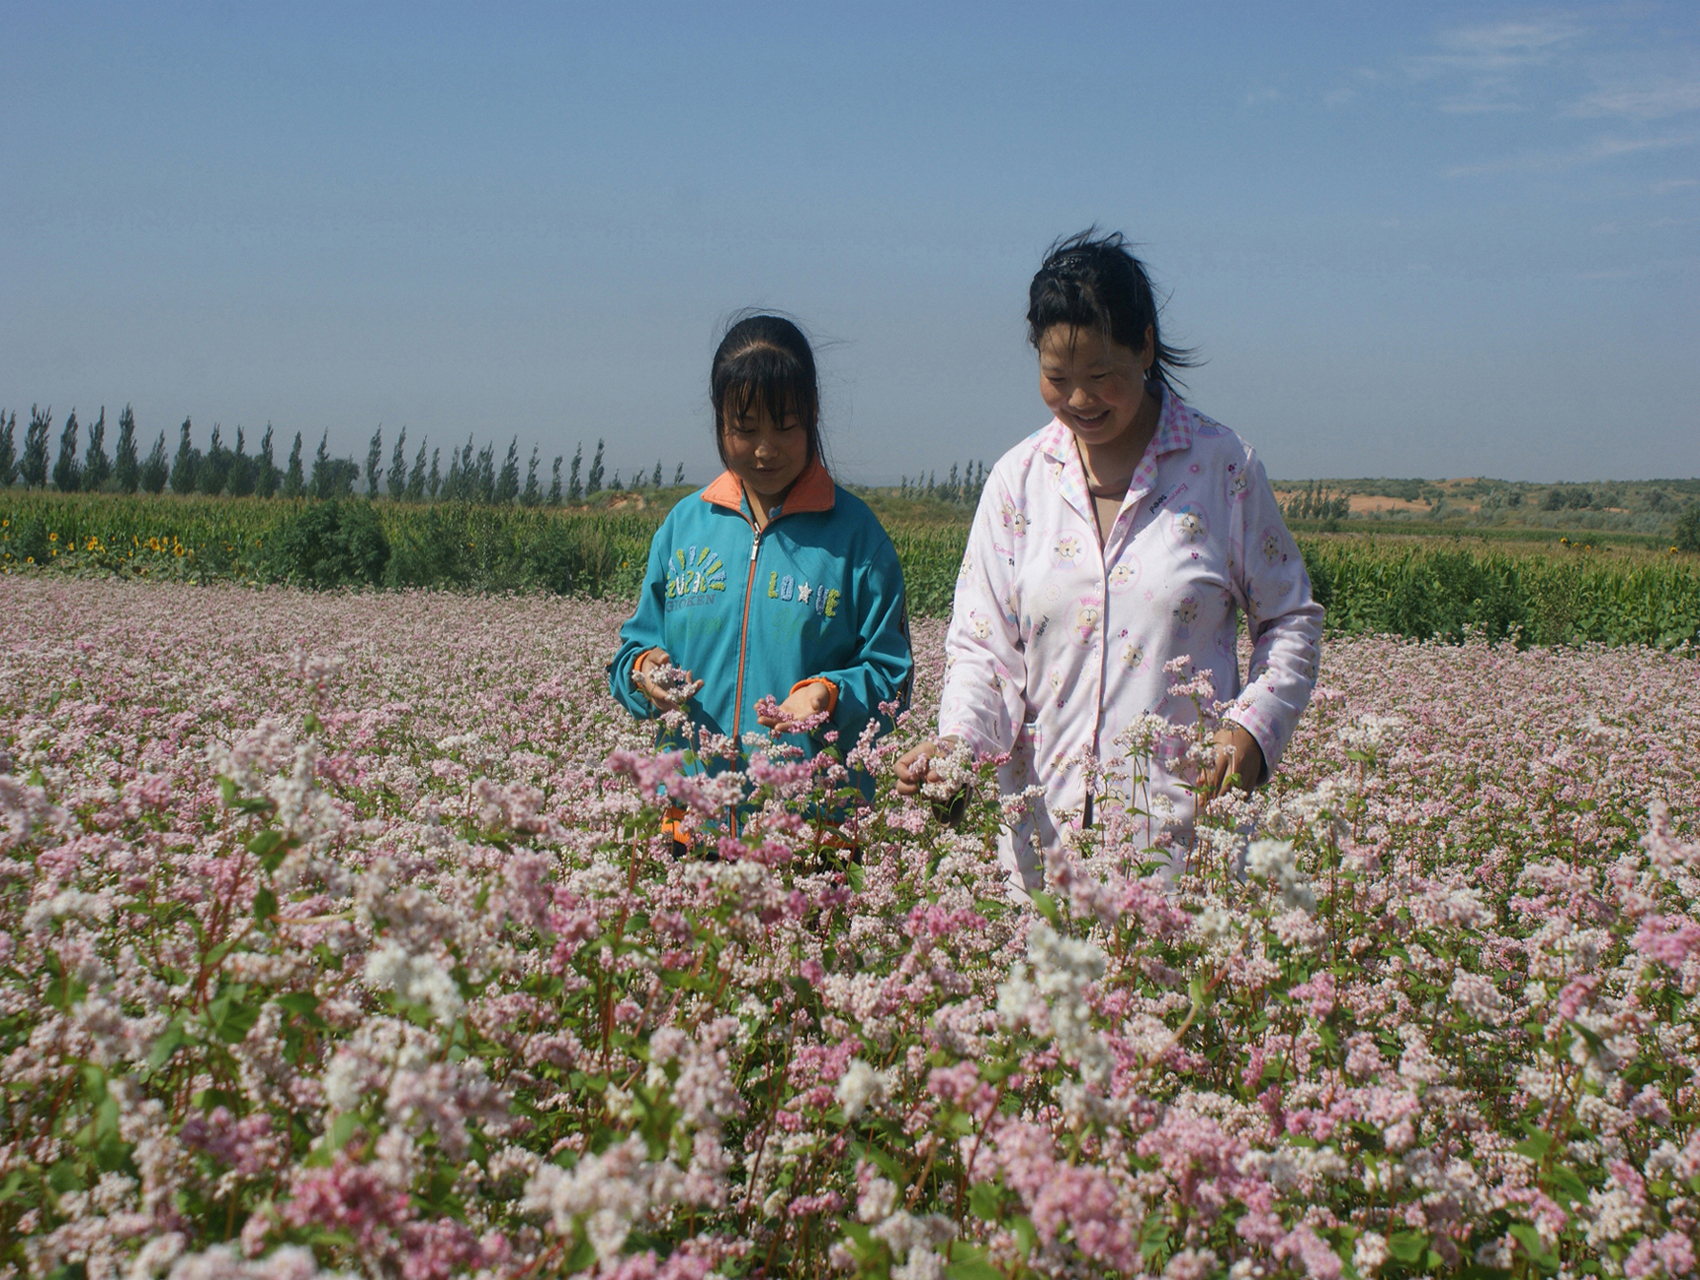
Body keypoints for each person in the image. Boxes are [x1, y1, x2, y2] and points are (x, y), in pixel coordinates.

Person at [894, 232, 1323, 889]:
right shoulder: (1019, 481)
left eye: (1101, 377)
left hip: (1181, 844)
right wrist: (956, 747)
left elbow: (1291, 619)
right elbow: (982, 651)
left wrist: (1252, 732)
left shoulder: (1222, 467)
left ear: (1146, 347)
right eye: (1057, 379)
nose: (1080, 401)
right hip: (1041, 851)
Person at [610, 313, 913, 846]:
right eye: (745, 429)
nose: (765, 449)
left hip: (813, 829)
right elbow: (634, 648)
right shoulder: (685, 527)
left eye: (785, 425)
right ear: (719, 420)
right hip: (690, 821)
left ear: (813, 414)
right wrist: (642, 671)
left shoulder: (856, 538)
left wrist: (828, 694)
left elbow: (893, 675)